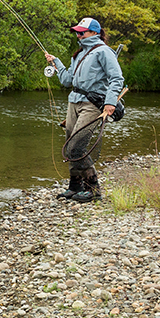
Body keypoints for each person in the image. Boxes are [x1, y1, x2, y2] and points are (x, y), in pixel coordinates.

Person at [43, 17, 125, 203]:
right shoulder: (79, 54)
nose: (78, 35)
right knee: (70, 142)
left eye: (82, 32)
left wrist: (110, 103)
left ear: (94, 33)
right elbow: (67, 80)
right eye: (77, 32)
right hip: (74, 102)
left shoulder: (104, 52)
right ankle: (75, 186)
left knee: (77, 146)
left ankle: (93, 189)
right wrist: (57, 63)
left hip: (92, 104)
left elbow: (117, 79)